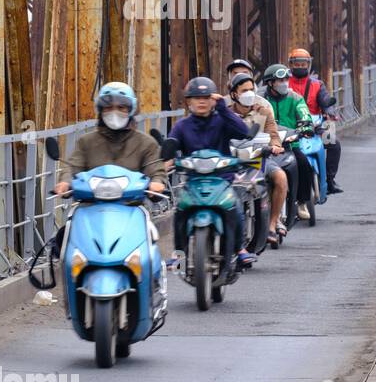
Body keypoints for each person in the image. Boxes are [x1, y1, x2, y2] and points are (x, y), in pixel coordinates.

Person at [52, 82, 170, 293]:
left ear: (131, 110)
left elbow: (156, 169)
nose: (114, 112)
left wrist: (157, 183)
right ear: (100, 111)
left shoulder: (146, 143)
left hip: (131, 208)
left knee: (149, 245)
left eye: (121, 107)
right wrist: (65, 181)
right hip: (91, 208)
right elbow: (72, 166)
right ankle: (69, 289)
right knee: (63, 239)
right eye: (108, 107)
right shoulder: (86, 142)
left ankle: (154, 284)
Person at [168, 76, 256, 270]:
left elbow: (243, 132)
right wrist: (166, 162)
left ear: (213, 100)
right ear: (188, 101)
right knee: (180, 211)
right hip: (193, 182)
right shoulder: (181, 126)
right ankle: (179, 254)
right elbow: (171, 146)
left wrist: (224, 109)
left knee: (235, 208)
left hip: (222, 180)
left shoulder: (222, 121)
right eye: (196, 97)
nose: (201, 101)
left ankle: (239, 249)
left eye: (207, 97)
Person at [228, 70, 289, 246]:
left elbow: (273, 133)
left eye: (251, 90)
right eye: (244, 90)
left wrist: (276, 146)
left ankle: (272, 223)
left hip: (259, 159)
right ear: (234, 94)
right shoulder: (226, 114)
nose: (248, 94)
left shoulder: (263, 111)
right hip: (234, 162)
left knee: (280, 178)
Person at [263, 63, 316, 220]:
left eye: (286, 79)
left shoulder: (295, 98)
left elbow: (304, 114)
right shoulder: (260, 99)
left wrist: (305, 127)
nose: (285, 83)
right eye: (280, 80)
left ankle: (302, 202)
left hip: (290, 145)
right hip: (266, 146)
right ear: (270, 83)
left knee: (304, 165)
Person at [287, 48, 342, 195]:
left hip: (315, 124)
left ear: (308, 65)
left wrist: (330, 112)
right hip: (291, 126)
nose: (300, 67)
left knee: (334, 143)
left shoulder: (318, 84)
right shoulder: (284, 83)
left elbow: (325, 100)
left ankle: (330, 180)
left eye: (303, 64)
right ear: (291, 65)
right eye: (296, 64)